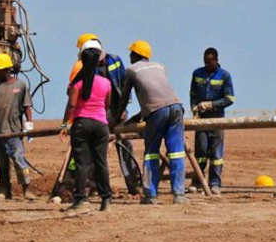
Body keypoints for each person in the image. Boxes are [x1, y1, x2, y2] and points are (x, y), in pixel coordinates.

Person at [112, 40, 188, 205]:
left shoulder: (131, 70)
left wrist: (118, 118)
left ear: (136, 54)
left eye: (131, 53)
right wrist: (141, 114)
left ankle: (151, 195)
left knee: (152, 152)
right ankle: (179, 194)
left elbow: (125, 96)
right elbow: (159, 95)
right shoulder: (160, 67)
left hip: (157, 112)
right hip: (176, 107)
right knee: (176, 152)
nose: (129, 56)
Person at [68, 33, 138, 194]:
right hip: (97, 114)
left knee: (125, 145)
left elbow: (124, 85)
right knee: (93, 153)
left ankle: (134, 185)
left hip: (115, 111)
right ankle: (92, 187)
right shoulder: (82, 67)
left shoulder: (114, 60)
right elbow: (73, 91)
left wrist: (122, 110)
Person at [61, 40, 113, 213]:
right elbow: (106, 105)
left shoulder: (77, 83)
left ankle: (80, 199)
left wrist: (64, 124)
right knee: (101, 162)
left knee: (82, 163)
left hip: (81, 124)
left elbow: (71, 106)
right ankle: (106, 200)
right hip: (101, 125)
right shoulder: (106, 83)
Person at [0, 53, 36, 201]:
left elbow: (27, 106)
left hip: (13, 130)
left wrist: (28, 124)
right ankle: (4, 191)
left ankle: (26, 189)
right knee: (1, 161)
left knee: (18, 159)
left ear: (7, 69)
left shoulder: (20, 85)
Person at [189, 47, 235, 195]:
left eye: (210, 62)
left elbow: (230, 99)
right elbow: (193, 94)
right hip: (201, 120)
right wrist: (194, 108)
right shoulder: (197, 74)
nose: (207, 64)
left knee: (216, 154)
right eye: (205, 62)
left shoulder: (225, 76)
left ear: (216, 60)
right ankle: (197, 182)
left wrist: (211, 105)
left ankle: (215, 183)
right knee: (201, 152)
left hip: (217, 119)